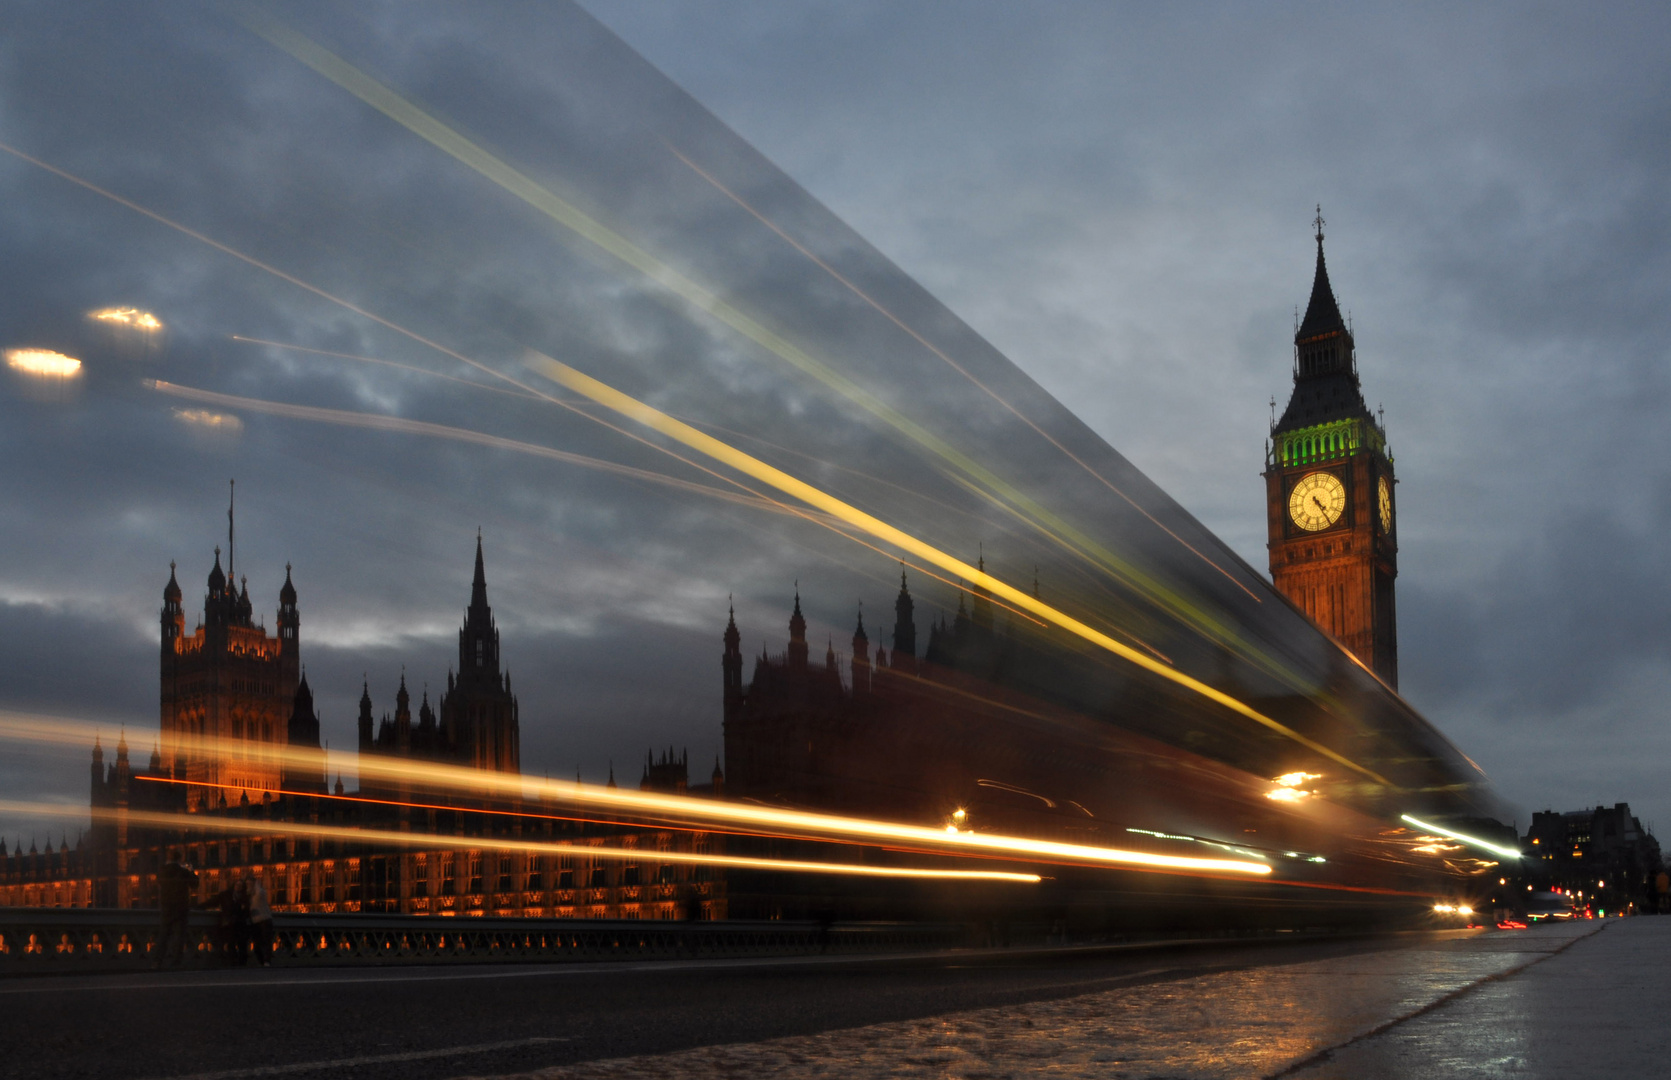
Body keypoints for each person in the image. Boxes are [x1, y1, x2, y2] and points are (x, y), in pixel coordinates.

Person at [154, 853, 198, 969]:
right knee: (179, 936)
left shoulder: (162, 870)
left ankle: (157, 961)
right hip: (181, 907)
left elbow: (159, 882)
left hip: (166, 907)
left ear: (168, 858)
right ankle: (176, 962)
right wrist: (191, 870)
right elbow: (195, 884)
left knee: (163, 935)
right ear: (179, 859)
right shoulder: (183, 872)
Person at [245, 874, 274, 967]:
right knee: (257, 944)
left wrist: (256, 884)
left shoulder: (260, 892)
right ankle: (262, 962)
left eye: (250, 883)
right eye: (247, 884)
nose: (248, 885)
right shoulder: (248, 895)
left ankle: (267, 961)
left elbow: (260, 892)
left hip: (265, 920)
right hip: (255, 922)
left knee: (266, 941)